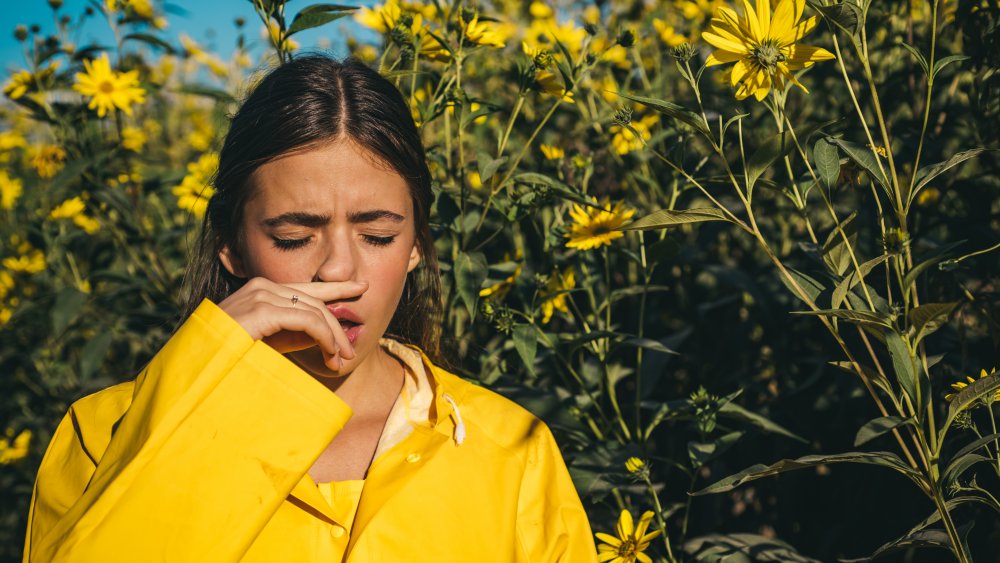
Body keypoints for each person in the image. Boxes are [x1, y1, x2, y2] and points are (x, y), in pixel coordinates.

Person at [23, 56, 597, 562]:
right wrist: (201, 392)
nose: (338, 271)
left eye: (378, 236)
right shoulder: (103, 434)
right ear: (230, 244)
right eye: (295, 238)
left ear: (418, 243)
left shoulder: (510, 449)